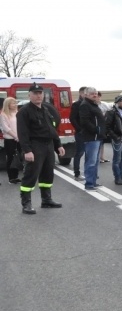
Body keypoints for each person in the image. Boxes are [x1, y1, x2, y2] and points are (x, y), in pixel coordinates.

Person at [17, 82, 66, 213]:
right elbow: (22, 133)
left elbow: (51, 129)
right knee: (31, 174)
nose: (38, 96)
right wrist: (27, 150)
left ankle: (46, 200)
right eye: (35, 93)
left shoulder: (46, 109)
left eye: (40, 93)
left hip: (48, 145)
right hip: (35, 145)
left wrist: (58, 145)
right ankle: (26, 204)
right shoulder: (24, 112)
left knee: (47, 173)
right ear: (29, 95)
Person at [78, 87, 106, 190]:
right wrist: (96, 130)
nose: (94, 95)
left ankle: (93, 182)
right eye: (92, 94)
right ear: (86, 95)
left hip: (97, 137)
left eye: (95, 93)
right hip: (91, 137)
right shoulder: (85, 105)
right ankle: (89, 183)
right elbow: (84, 121)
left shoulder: (94, 104)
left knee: (95, 161)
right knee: (91, 161)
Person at [1, 97, 22, 184]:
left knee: (17, 157)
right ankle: (11, 177)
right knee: (11, 158)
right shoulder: (3, 114)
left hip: (19, 139)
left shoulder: (17, 113)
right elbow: (6, 128)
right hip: (10, 139)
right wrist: (15, 136)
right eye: (13, 103)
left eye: (15, 103)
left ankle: (16, 176)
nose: (15, 105)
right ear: (8, 105)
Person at [69, 86, 87, 181]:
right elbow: (72, 118)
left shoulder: (89, 104)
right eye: (85, 93)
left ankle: (89, 173)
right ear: (80, 93)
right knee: (79, 153)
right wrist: (79, 129)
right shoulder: (76, 104)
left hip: (89, 133)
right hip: (80, 133)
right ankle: (77, 173)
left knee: (89, 154)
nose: (86, 95)